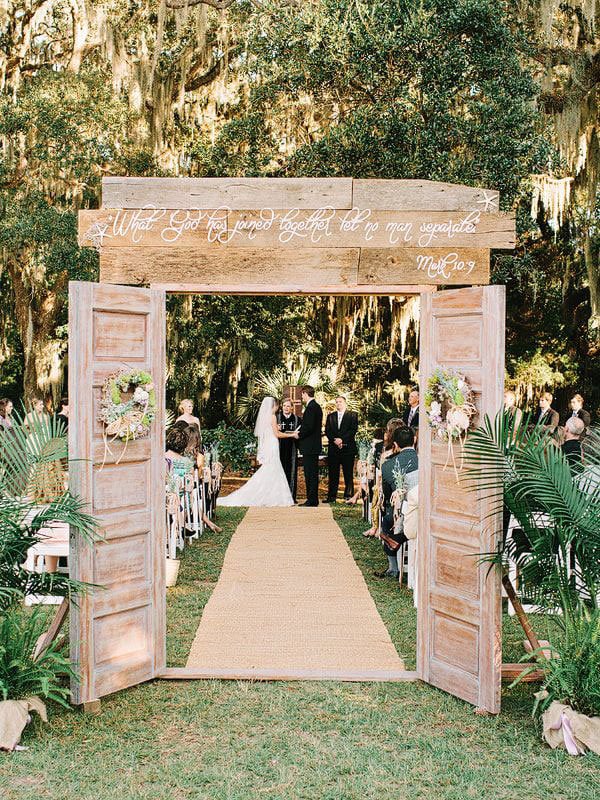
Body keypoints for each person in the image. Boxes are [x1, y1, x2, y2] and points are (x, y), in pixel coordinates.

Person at [220, 397, 296, 507]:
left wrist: (277, 428)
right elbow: (277, 434)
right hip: (273, 444)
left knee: (270, 469)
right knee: (273, 469)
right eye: (278, 405)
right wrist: (292, 434)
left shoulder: (265, 418)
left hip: (268, 444)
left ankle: (270, 495)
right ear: (274, 406)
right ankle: (274, 497)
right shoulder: (273, 417)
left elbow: (269, 431)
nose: (278, 407)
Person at [374, 427, 419, 579]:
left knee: (387, 520)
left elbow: (388, 496)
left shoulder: (387, 465)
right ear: (414, 440)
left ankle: (393, 567)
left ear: (395, 444)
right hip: (425, 510)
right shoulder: (425, 460)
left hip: (402, 514)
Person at [166, 423, 222, 533]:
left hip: (177, 491)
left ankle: (185, 525)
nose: (194, 446)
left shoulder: (164, 457)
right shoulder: (185, 460)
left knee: (190, 495)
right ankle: (184, 525)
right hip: (182, 492)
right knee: (190, 495)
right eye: (193, 443)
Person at [325, 395, 358, 502]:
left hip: (348, 449)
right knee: (333, 473)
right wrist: (335, 440)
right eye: (337, 402)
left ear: (345, 403)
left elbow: (353, 430)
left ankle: (348, 495)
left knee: (348, 473)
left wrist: (341, 440)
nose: (338, 403)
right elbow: (327, 431)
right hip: (333, 449)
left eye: (340, 402)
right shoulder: (331, 416)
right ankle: (331, 496)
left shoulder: (352, 415)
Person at [295, 385, 323, 507]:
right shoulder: (315, 407)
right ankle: (312, 499)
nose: (301, 397)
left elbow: (309, 427)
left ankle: (312, 500)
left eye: (302, 394)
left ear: (306, 393)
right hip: (312, 446)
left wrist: (299, 435)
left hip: (310, 447)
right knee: (311, 473)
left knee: (310, 474)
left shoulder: (311, 408)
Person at [277, 398, 300, 501]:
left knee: (291, 472)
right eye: (284, 406)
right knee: (279, 472)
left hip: (292, 449)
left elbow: (301, 434)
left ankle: (291, 497)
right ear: (282, 407)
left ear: (292, 407)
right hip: (278, 448)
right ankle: (279, 497)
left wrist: (298, 436)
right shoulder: (276, 418)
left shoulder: (297, 419)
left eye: (288, 406)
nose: (286, 408)